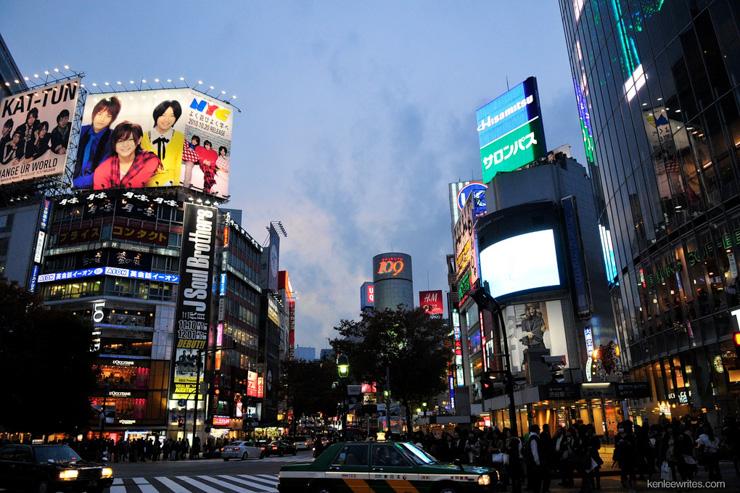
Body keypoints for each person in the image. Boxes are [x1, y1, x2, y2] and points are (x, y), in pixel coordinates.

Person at [93, 121, 161, 190]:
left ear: (139, 140)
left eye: (130, 140)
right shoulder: (102, 170)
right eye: (120, 141)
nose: (125, 145)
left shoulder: (149, 160)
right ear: (114, 143)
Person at [74, 97, 121, 188]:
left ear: (112, 119)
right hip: (72, 182)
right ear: (94, 113)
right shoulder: (81, 131)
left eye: (108, 116)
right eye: (99, 114)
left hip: (97, 185)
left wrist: (78, 182)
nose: (102, 119)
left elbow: (105, 168)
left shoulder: (113, 137)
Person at [141, 100, 184, 187]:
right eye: (163, 115)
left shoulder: (180, 137)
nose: (167, 119)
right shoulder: (144, 137)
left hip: (169, 184)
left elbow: (178, 166)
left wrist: (175, 188)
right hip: (147, 185)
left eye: (172, 116)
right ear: (156, 115)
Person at [523, 424, 542, 493]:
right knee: (537, 480)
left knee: (535, 480)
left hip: (531, 463)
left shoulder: (531, 438)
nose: (539, 431)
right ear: (536, 430)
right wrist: (538, 462)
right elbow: (535, 452)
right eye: (538, 430)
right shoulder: (534, 438)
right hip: (534, 464)